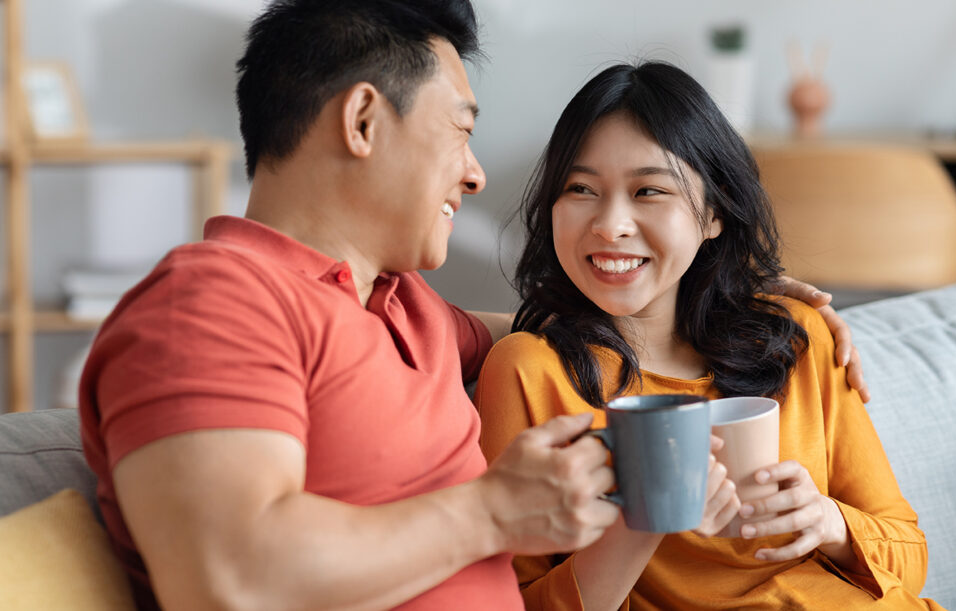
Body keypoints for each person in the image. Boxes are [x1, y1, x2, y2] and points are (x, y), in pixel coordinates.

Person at [78, 2, 865, 609]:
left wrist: (725, 295)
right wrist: (493, 512)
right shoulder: (212, 302)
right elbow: (225, 578)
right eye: (461, 131)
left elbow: (546, 334)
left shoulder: (403, 308)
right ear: (362, 121)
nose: (477, 174)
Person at [476, 61, 940, 610]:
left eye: (649, 190)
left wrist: (830, 523)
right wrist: (645, 520)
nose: (610, 224)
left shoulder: (798, 338)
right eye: (580, 188)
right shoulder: (530, 373)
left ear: (714, 212)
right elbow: (510, 603)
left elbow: (911, 560)